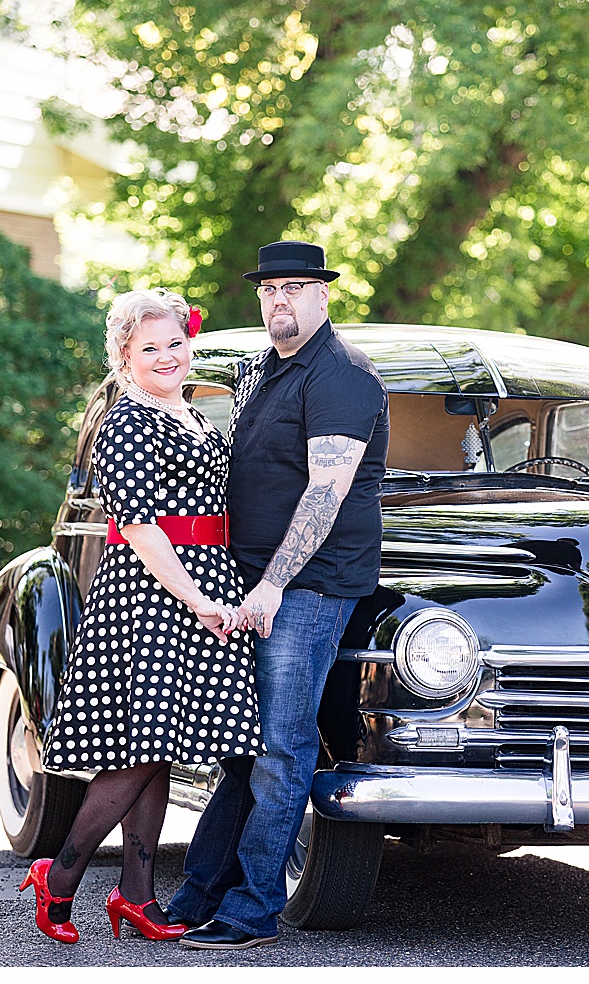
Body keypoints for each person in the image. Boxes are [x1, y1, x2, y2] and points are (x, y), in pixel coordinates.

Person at [167, 241, 390, 951]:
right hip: (252, 580)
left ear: (323, 295)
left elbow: (324, 493)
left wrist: (271, 584)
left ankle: (255, 907)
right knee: (244, 746)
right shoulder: (266, 367)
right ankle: (199, 893)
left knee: (281, 747)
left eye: (295, 287)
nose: (280, 300)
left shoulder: (343, 375)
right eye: (269, 289)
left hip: (308, 587)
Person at [23, 290, 259, 944]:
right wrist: (199, 598)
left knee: (157, 750)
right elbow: (140, 528)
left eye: (174, 342)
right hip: (152, 594)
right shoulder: (128, 421)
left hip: (201, 579)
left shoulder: (190, 412)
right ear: (125, 356)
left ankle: (135, 892)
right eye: (148, 347)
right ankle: (60, 874)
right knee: (140, 752)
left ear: (189, 344)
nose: (166, 355)